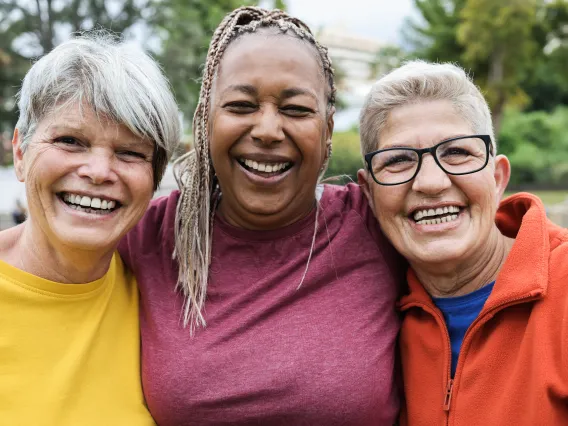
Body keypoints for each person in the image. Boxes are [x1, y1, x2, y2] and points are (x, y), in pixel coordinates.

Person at [119, 7, 403, 425]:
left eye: (295, 109)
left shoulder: (379, 226)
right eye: (240, 104)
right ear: (206, 120)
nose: (268, 130)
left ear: (327, 130)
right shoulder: (145, 238)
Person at [357, 60, 568, 425]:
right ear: (369, 194)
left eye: (457, 152)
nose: (432, 182)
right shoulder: (371, 319)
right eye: (398, 160)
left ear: (498, 177)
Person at [0, 33, 180, 425]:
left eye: (130, 152)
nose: (98, 172)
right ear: (20, 151)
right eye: (70, 141)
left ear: (154, 178)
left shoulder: (165, 295)